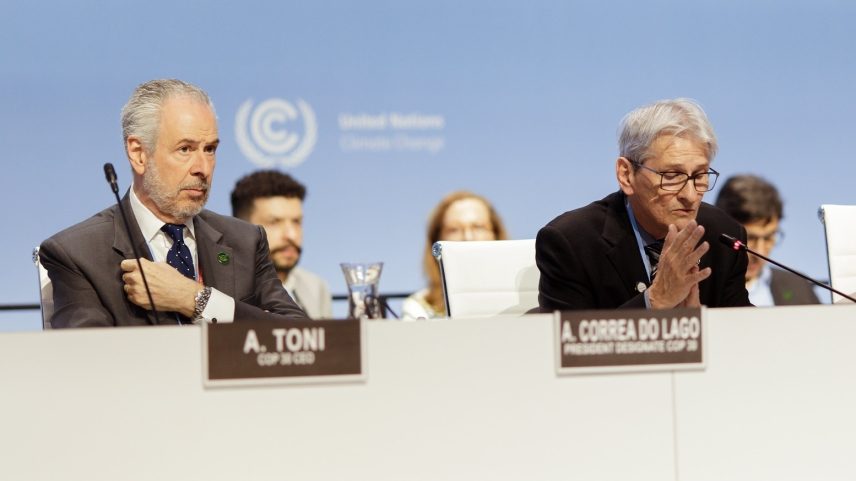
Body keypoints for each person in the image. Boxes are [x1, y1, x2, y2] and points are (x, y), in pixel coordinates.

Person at [39, 79, 308, 327]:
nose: (203, 168)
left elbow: (302, 337)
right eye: (185, 149)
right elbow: (87, 364)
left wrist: (195, 299)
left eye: (210, 149)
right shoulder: (77, 254)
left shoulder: (244, 242)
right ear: (139, 154)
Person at [536, 98, 751, 311]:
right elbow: (571, 342)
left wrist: (701, 325)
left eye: (699, 175)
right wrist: (655, 301)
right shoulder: (571, 244)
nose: (690, 195)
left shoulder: (724, 237)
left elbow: (744, 334)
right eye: (671, 175)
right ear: (626, 175)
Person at [231, 170, 333, 318]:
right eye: (274, 222)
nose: (291, 235)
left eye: (297, 221)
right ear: (240, 227)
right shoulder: (219, 288)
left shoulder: (316, 287)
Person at [715, 175, 819, 306]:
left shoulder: (799, 287)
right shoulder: (695, 288)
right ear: (721, 231)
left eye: (769, 237)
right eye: (750, 238)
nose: (760, 251)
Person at [402, 191, 508, 319]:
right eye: (454, 229)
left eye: (478, 227)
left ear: (495, 234)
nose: (468, 237)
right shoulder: (418, 307)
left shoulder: (524, 296)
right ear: (437, 239)